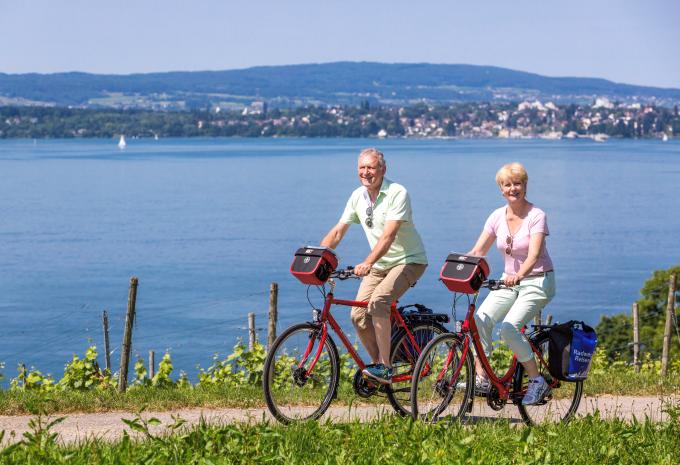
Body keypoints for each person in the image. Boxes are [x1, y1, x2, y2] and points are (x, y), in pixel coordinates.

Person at [320, 148, 428, 384]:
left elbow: (388, 236)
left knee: (379, 301)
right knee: (358, 314)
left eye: (371, 167)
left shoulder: (397, 193)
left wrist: (368, 262)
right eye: (362, 168)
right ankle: (378, 364)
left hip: (409, 260)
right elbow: (339, 231)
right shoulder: (358, 196)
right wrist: (320, 256)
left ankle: (386, 367)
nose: (366, 173)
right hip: (381, 264)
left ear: (383, 170)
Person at [467, 162, 556, 405]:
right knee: (480, 319)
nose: (513, 188)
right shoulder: (497, 216)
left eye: (517, 183)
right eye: (507, 185)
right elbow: (479, 249)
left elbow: (534, 255)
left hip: (537, 281)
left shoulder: (537, 216)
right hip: (509, 283)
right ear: (501, 189)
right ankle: (483, 376)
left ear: (525, 186)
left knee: (509, 328)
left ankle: (538, 381)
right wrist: (460, 265)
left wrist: (519, 275)